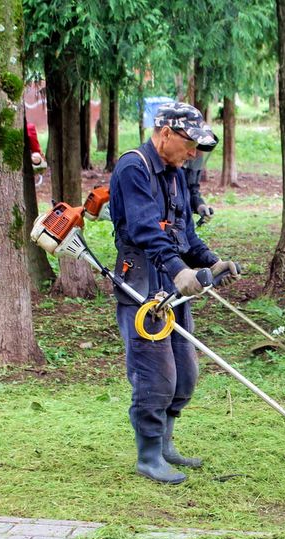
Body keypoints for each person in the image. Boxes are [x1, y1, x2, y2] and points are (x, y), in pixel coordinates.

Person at [108, 102, 239, 484]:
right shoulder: (134, 167)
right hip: (143, 280)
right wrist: (180, 270)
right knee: (155, 372)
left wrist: (210, 262)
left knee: (184, 372)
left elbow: (185, 233)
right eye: (189, 143)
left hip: (172, 277)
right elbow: (147, 231)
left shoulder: (175, 171)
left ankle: (166, 445)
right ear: (165, 133)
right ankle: (148, 456)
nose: (194, 153)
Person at [183, 129, 215, 225]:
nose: (196, 155)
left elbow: (193, 190)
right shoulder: (174, 166)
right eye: (198, 150)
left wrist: (200, 206)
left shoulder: (194, 164)